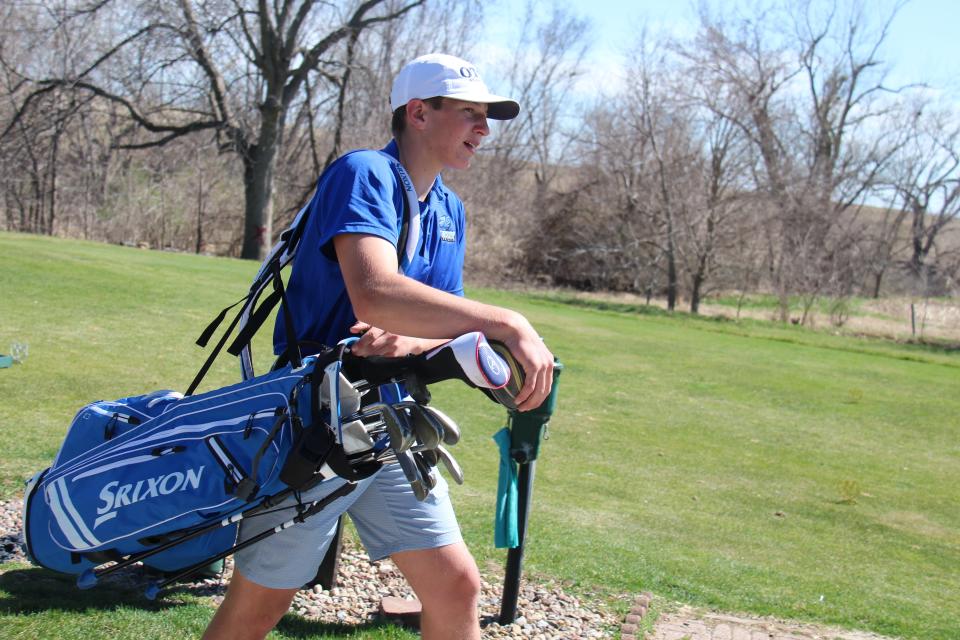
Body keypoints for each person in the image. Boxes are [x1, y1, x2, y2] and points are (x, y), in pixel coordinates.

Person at [202, 53, 554, 640]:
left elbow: (436, 322)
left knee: (456, 585)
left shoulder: (450, 209)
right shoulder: (363, 173)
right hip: (316, 421)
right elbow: (375, 292)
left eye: (487, 117)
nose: (484, 130)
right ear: (418, 113)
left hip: (392, 423)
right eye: (470, 113)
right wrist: (509, 322)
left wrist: (419, 339)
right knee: (256, 610)